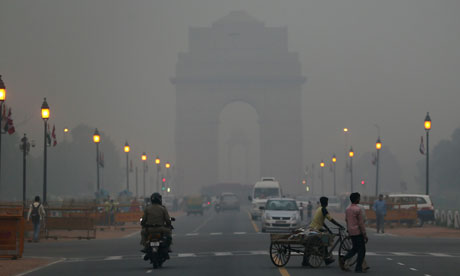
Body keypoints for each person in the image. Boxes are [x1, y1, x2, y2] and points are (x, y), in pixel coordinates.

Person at [302, 196, 344, 267]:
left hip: (313, 227)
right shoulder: (324, 210)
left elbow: (322, 221)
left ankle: (324, 257)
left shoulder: (319, 209)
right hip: (316, 228)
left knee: (324, 239)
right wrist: (340, 225)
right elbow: (330, 219)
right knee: (325, 240)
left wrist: (328, 229)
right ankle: (325, 257)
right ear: (326, 203)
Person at [340, 193, 368, 273]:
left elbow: (346, 220)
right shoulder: (358, 209)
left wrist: (349, 230)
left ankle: (344, 258)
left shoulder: (347, 209)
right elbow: (361, 223)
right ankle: (358, 267)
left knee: (355, 248)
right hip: (358, 232)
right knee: (362, 250)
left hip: (351, 232)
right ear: (357, 199)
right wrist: (364, 234)